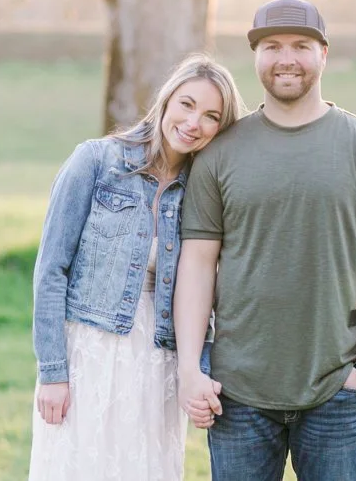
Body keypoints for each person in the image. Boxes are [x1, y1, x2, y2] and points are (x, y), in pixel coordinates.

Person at [174, 0, 356, 480]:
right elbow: (197, 265)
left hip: (335, 391)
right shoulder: (220, 152)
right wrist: (189, 370)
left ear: (323, 55)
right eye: (272, 46)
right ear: (256, 57)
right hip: (237, 393)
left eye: (301, 45)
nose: (286, 58)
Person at [26, 53, 245, 481]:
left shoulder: (203, 191)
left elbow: (203, 290)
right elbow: (51, 270)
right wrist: (52, 372)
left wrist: (197, 368)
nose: (193, 122)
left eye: (211, 116)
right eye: (187, 104)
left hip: (158, 358)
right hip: (88, 352)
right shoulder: (95, 162)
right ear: (166, 100)